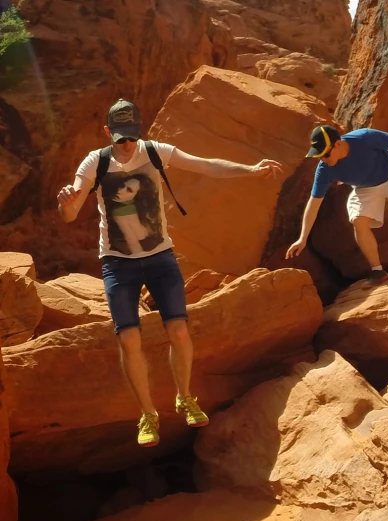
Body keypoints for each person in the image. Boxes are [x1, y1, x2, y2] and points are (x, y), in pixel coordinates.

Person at [56, 98, 283, 448]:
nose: (127, 144)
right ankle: (148, 414)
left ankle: (184, 397)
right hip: (118, 261)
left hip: (160, 256)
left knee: (178, 329)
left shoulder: (155, 151)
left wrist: (249, 169)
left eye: (131, 136)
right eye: (120, 138)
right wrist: (66, 203)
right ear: (107, 133)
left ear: (139, 130)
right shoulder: (95, 162)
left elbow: (206, 166)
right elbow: (71, 213)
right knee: (129, 338)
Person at [286, 125, 388, 288]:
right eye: (319, 156)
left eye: (325, 154)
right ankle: (377, 271)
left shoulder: (363, 138)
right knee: (358, 221)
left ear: (338, 144)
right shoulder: (325, 169)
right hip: (364, 187)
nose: (323, 159)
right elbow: (314, 202)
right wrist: (303, 238)